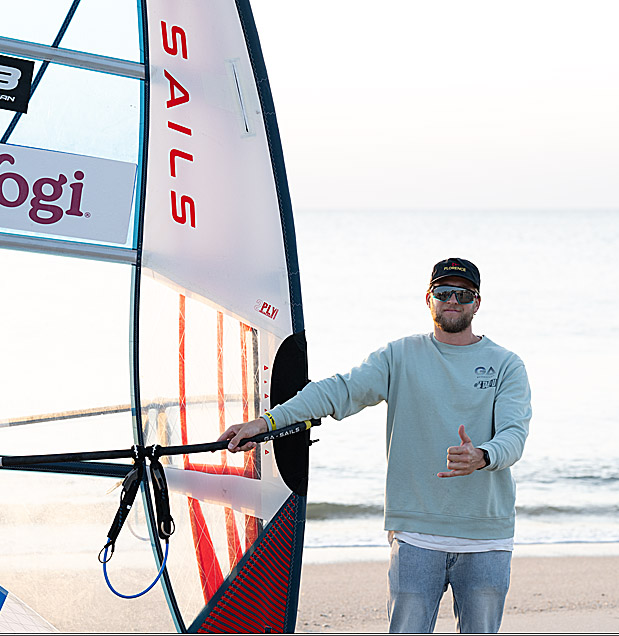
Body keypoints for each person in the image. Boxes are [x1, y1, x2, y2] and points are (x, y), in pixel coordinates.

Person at [220, 257, 532, 633]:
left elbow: (514, 437)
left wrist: (482, 456)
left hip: (486, 538)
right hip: (416, 534)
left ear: (477, 303)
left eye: (463, 294)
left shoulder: (506, 365)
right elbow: (338, 391)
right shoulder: (400, 356)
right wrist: (266, 422)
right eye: (443, 292)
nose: (453, 300)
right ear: (429, 299)